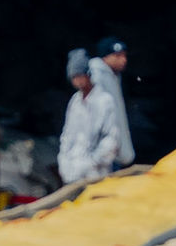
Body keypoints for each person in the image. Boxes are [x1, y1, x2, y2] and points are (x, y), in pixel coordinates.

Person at [57, 46, 129, 188]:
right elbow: (67, 135)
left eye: (79, 76)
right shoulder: (74, 102)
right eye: (74, 77)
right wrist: (64, 162)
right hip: (73, 174)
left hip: (97, 174)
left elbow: (111, 138)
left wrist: (92, 162)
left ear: (87, 74)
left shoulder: (104, 100)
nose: (77, 81)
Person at [91, 37, 138, 166]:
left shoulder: (113, 76)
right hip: (105, 152)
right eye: (118, 56)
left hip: (114, 149)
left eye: (124, 56)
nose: (124, 60)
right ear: (105, 57)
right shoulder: (96, 76)